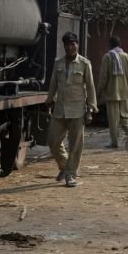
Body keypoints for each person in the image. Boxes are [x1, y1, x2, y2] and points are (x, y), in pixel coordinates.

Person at [46, 32, 97, 187]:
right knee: (53, 141)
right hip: (60, 110)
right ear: (64, 46)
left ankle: (70, 175)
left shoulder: (84, 63)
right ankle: (64, 166)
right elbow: (53, 83)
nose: (69, 47)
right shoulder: (58, 63)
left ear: (77, 45)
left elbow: (90, 87)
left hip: (77, 111)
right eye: (67, 45)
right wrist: (49, 101)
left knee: (75, 144)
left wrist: (90, 110)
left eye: (72, 44)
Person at [98, 36, 128, 149]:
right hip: (124, 92)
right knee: (125, 116)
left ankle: (114, 142)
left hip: (111, 93)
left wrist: (99, 90)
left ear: (110, 45)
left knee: (113, 120)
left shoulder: (107, 57)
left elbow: (103, 76)